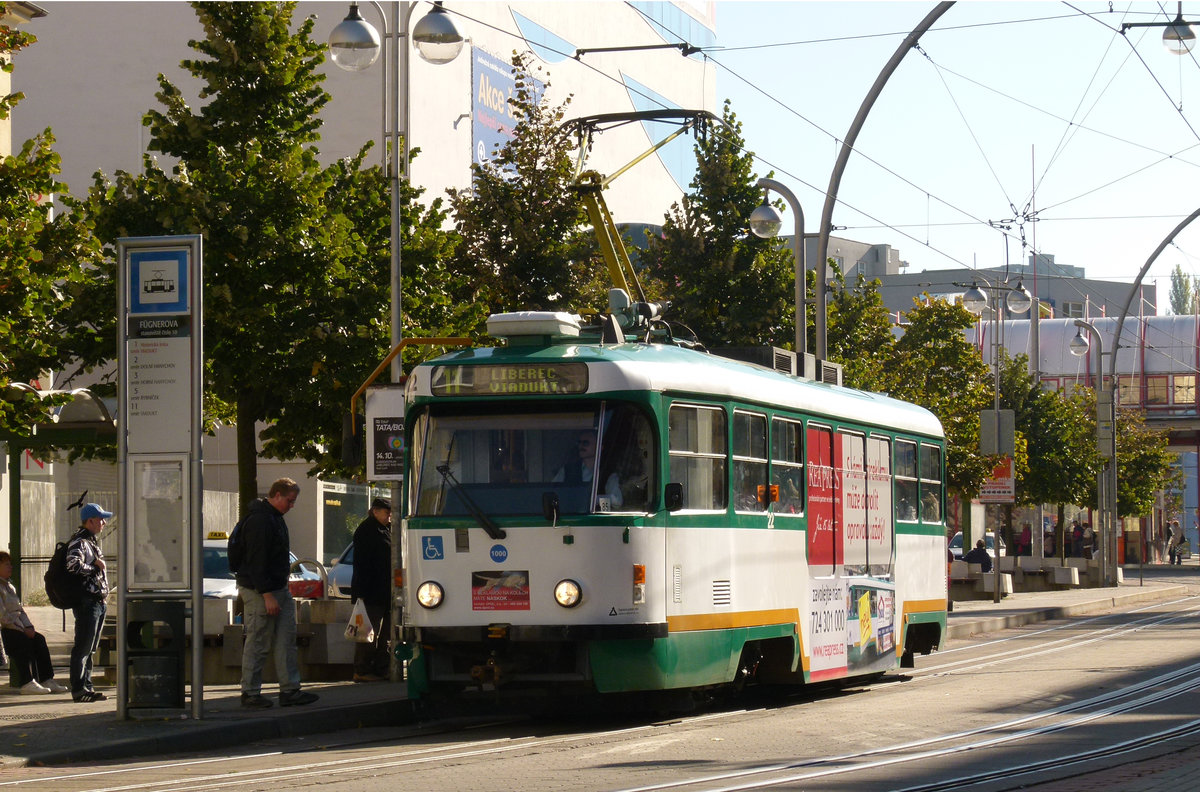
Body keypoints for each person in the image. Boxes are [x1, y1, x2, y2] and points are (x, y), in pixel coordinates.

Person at [235, 478, 318, 708]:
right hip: (261, 590)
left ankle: (289, 690)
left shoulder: (273, 518)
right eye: (290, 501)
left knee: (285, 640)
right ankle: (250, 693)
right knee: (259, 642)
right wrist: (267, 594)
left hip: (275, 588)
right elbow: (256, 561)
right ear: (277, 495)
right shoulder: (262, 521)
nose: (291, 506)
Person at [0, 551, 69, 694]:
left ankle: (46, 679)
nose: (10, 567)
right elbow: (4, 616)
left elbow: (20, 610)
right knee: (21, 642)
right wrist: (22, 629)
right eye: (6, 564)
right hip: (7, 629)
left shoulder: (10, 587)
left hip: (18, 627)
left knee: (39, 639)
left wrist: (29, 626)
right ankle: (26, 682)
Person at [65, 503, 111, 703]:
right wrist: (94, 566)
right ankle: (79, 689)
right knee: (83, 646)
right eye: (100, 519)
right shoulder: (80, 541)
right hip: (88, 603)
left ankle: (87, 686)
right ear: (90, 521)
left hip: (97, 602)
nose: (103, 522)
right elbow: (72, 565)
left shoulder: (91, 541)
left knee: (90, 648)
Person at [350, 497, 392, 683]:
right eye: (386, 513)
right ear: (375, 511)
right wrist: (362, 594)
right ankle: (363, 669)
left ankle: (382, 668)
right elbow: (365, 564)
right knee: (368, 632)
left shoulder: (384, 529)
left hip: (384, 591)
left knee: (386, 634)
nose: (389, 517)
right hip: (372, 591)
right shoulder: (368, 531)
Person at [553, 431, 622, 508]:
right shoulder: (566, 470)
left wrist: (593, 500)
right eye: (579, 443)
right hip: (571, 517)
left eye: (585, 443)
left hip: (597, 519)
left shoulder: (608, 473)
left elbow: (617, 502)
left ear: (600, 447)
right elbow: (553, 492)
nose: (581, 446)